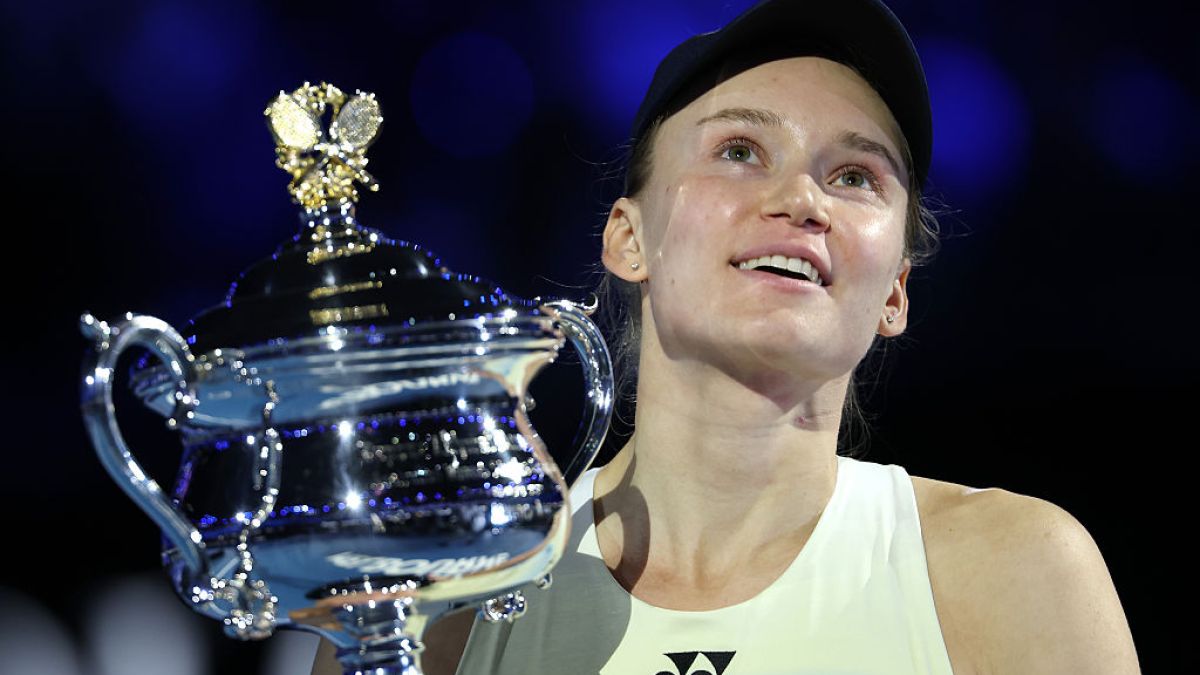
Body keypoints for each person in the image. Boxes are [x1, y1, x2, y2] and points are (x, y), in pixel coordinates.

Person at [315, 0, 1141, 672]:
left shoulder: (1013, 572)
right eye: (740, 150)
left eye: (855, 175)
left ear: (895, 290)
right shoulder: (449, 596)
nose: (803, 200)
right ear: (629, 238)